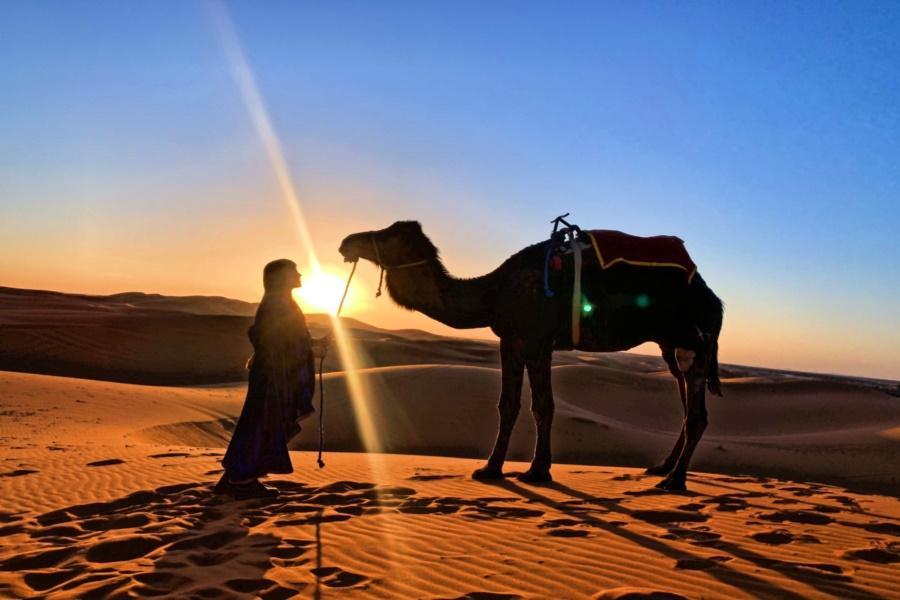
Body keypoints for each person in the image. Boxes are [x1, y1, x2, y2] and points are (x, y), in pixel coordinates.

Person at [215, 259, 328, 499]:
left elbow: (290, 339)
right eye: (294, 271)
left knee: (259, 424)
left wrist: (313, 345)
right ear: (283, 277)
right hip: (273, 376)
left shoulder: (281, 303)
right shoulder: (278, 305)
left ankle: (236, 476)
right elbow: (276, 341)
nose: (300, 274)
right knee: (260, 425)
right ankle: (242, 481)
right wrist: (311, 348)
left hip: (273, 375)